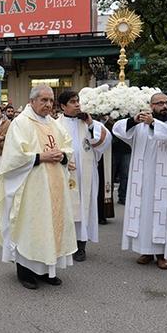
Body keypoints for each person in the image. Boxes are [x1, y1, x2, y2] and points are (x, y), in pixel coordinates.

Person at [0, 85, 76, 290]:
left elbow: (67, 144)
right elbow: (13, 157)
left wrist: (63, 155)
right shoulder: (21, 123)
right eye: (44, 100)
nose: (48, 104)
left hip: (55, 184)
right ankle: (26, 272)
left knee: (51, 225)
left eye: (50, 100)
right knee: (31, 226)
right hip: (31, 187)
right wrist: (41, 157)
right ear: (32, 101)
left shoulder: (54, 124)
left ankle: (49, 270)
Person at [112, 92, 167, 270]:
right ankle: (145, 251)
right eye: (159, 103)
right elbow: (118, 129)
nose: (164, 106)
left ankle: (161, 255)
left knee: (161, 213)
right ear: (151, 106)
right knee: (144, 213)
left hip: (163, 180)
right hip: (142, 179)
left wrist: (153, 123)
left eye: (166, 103)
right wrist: (133, 120)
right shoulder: (140, 127)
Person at [57, 90, 111, 262]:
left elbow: (103, 142)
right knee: (66, 207)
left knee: (84, 207)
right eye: (72, 102)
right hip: (65, 173)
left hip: (86, 173)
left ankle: (81, 245)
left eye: (78, 101)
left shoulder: (89, 122)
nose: (77, 104)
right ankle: (66, 243)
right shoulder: (55, 124)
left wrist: (90, 124)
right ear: (63, 106)